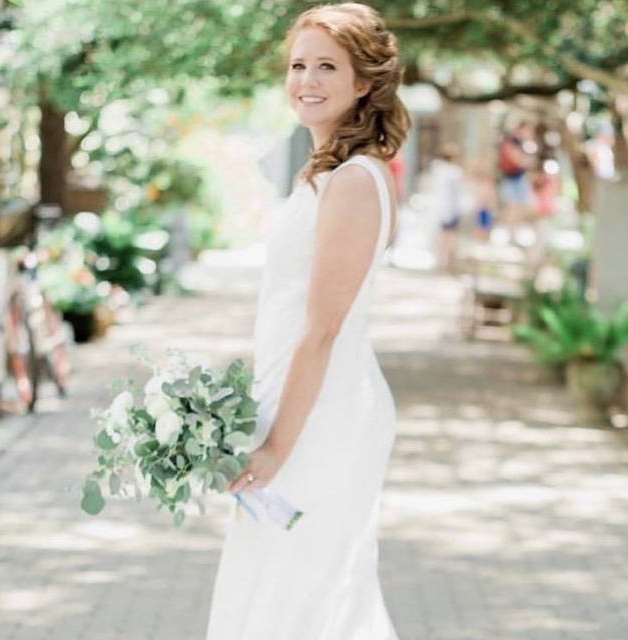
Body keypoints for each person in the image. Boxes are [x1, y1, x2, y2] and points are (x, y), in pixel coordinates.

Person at [204, 4, 408, 638]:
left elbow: (320, 329)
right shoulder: (322, 172)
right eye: (297, 65)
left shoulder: (353, 181)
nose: (306, 80)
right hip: (298, 398)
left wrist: (275, 448)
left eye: (327, 66)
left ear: (364, 82)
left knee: (305, 594)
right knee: (286, 586)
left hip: (325, 416)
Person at [497, 121, 535, 243]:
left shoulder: (522, 144)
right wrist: (526, 160)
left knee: (520, 207)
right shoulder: (512, 142)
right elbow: (518, 160)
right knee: (512, 207)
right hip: (511, 178)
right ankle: (509, 235)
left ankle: (513, 235)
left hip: (519, 177)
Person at [429, 142, 465, 270]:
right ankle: (446, 260)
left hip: (439, 208)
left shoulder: (437, 170)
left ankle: (440, 259)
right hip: (450, 208)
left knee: (441, 234)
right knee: (449, 235)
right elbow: (459, 193)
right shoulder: (455, 172)